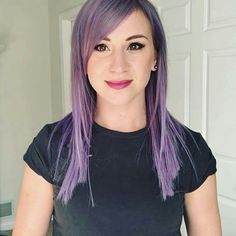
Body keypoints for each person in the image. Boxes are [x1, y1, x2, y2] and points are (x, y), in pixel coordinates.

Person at [13, 0, 222, 235]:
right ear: (82, 59)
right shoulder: (52, 146)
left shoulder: (190, 150)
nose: (118, 66)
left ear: (155, 57)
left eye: (134, 46)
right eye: (101, 47)